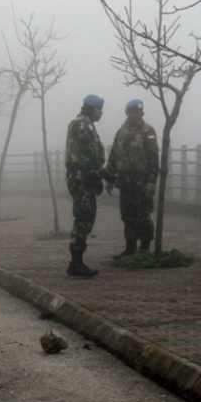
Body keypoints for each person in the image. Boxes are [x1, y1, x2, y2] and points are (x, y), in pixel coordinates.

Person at [105, 99, 159, 259]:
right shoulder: (121, 132)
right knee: (127, 214)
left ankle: (144, 248)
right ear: (127, 113)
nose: (135, 115)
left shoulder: (148, 132)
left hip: (141, 179)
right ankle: (130, 248)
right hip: (124, 179)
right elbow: (114, 155)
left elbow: (154, 158)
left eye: (138, 112)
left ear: (142, 114)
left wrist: (151, 181)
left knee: (143, 213)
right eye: (132, 112)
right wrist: (109, 177)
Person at [65, 94, 109, 278]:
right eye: (99, 108)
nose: (101, 112)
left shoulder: (85, 124)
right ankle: (75, 263)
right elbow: (87, 153)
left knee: (86, 218)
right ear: (92, 108)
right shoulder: (83, 124)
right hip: (82, 178)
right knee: (84, 218)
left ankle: (77, 262)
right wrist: (100, 175)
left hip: (84, 177)